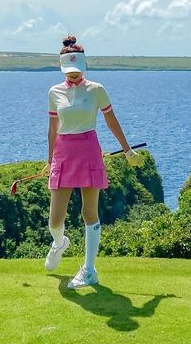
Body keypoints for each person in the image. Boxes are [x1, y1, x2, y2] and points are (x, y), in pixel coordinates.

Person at [43, 35, 143, 289]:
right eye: (69, 72)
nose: (74, 76)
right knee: (55, 220)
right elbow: (53, 129)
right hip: (64, 153)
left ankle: (89, 270)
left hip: (88, 150)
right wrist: (49, 160)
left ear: (84, 67)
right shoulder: (54, 92)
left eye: (77, 72)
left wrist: (127, 150)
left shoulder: (97, 89)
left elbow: (111, 121)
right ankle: (59, 243)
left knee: (89, 213)